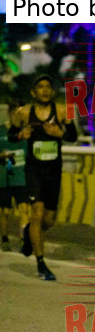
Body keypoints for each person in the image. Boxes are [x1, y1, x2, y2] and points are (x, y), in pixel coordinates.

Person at [9, 75, 78, 280]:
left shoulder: (63, 111)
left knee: (48, 220)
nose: (45, 90)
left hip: (53, 172)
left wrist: (59, 134)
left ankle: (29, 234)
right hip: (34, 172)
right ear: (33, 92)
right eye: (40, 87)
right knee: (37, 213)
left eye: (48, 86)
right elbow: (12, 135)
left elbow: (73, 136)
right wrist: (21, 135)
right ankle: (41, 264)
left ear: (53, 91)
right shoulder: (23, 113)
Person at [1, 103, 30, 252]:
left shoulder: (26, 133)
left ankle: (24, 239)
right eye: (18, 114)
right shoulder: (1, 131)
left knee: (24, 209)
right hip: (4, 177)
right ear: (11, 114)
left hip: (21, 177)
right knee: (5, 211)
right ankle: (4, 238)